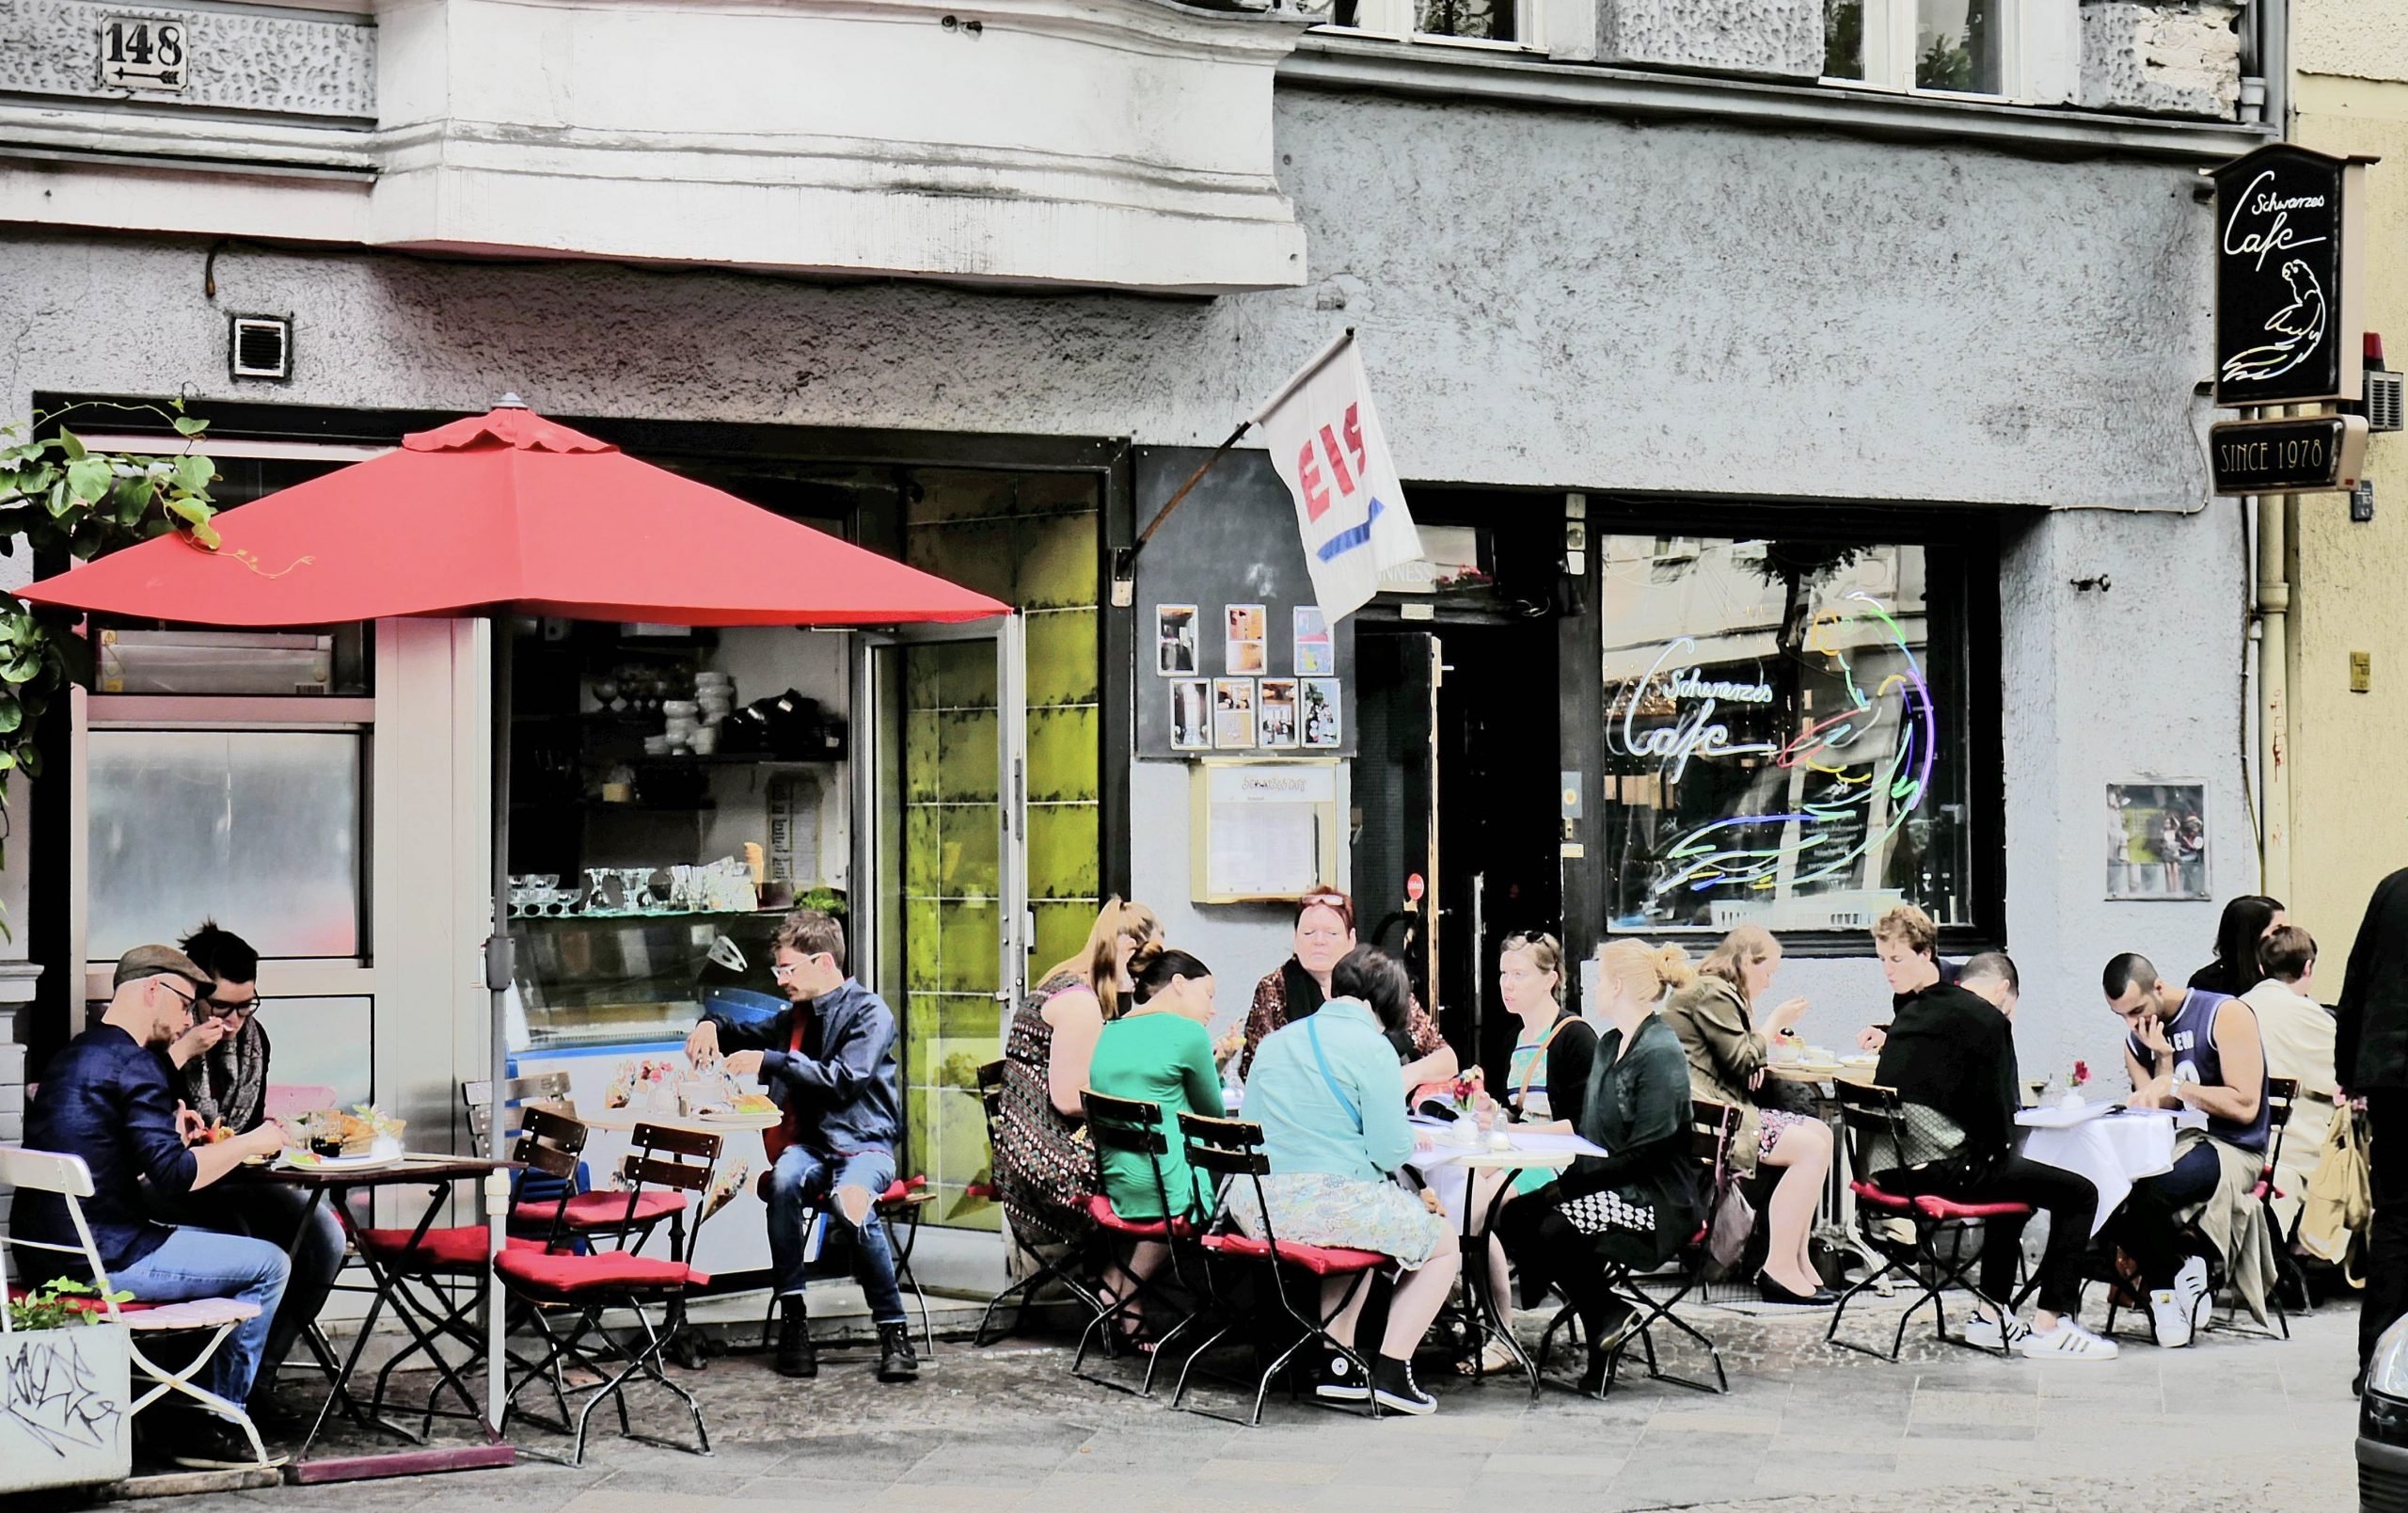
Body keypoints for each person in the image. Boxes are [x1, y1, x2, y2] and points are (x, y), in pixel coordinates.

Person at [18, 947, 293, 1468]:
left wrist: (170, 1136)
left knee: (223, 1235)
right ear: (153, 992)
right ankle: (212, 1422)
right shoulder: (137, 1064)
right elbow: (176, 1177)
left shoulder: (73, 1056)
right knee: (269, 1263)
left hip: (47, 1257)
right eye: (187, 1005)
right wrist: (255, 1141)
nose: (190, 1020)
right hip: (105, 1259)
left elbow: (106, 1148)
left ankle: (175, 1405)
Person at [1865, 915, 2114, 1358]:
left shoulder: (1910, 1012)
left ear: (1927, 956)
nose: (1888, 969)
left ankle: (1992, 1313)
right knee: (2080, 1192)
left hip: (1889, 1172)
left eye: (1895, 958)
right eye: (1883, 958)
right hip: (1937, 1172)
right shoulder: (1983, 1020)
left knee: (2012, 1186)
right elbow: (2000, 1115)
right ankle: (2052, 1324)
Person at [686, 908, 914, 1383]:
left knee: (852, 1204)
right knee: (785, 1180)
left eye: (788, 969)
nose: (782, 979)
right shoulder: (796, 1018)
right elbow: (745, 1034)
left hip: (863, 1145)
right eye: (779, 970)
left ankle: (894, 1330)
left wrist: (772, 1061)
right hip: (809, 1147)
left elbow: (845, 1080)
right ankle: (794, 1319)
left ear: (824, 964)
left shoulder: (870, 1012)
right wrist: (711, 1025)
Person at [1239, 946, 1460, 1415]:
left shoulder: (1276, 1042)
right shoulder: (1373, 1048)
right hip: (1328, 1207)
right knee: (1443, 1243)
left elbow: (1250, 1126)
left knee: (1359, 1225)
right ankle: (1392, 1371)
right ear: (1386, 1003)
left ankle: (1340, 1363)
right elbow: (1388, 1151)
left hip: (1260, 1208)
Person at [141, 923, 346, 1422]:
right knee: (242, 1239)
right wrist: (183, 1052)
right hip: (168, 1183)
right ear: (193, 998)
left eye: (246, 1005)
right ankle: (197, 1390)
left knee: (323, 1239)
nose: (233, 1021)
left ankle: (260, 1374)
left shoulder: (254, 1041)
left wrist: (254, 1145)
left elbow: (246, 1126)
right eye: (221, 1008)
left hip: (237, 1175)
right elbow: (147, 1144)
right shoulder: (160, 1038)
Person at [1497, 940, 1702, 1392]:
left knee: (1554, 1227)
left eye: (1599, 978)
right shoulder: (1611, 1043)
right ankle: (1605, 1316)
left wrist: (1573, 1185)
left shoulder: (1659, 1050)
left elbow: (1651, 1152)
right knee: (1514, 1214)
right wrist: (1567, 1180)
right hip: (1611, 1182)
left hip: (1656, 1198)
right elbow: (1592, 1133)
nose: (1591, 987)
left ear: (1618, 985)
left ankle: (1604, 1320)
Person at [1659, 923, 1835, 1306]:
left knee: (1822, 1133)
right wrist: (1773, 1023)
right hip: (1711, 1120)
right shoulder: (1713, 992)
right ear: (1745, 962)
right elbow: (1742, 1057)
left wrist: (1753, 1052)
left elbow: (1735, 1058)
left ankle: (1797, 1259)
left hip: (1713, 1111)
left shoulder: (1710, 991)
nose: (1769, 983)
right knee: (1810, 1148)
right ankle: (1778, 1267)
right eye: (1767, 972)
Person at [2105, 949, 2272, 1346]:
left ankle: (2164, 1294)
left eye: (2138, 1009)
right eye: (2122, 1016)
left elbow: (2246, 1107)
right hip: (2178, 1144)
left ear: (2158, 987)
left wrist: (2178, 1086)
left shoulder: (2225, 1014)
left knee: (2151, 1193)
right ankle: (2182, 1269)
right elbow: (2157, 1111)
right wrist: (2163, 1060)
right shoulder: (2138, 1040)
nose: (2133, 1022)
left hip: (2235, 1146)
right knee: (2104, 1192)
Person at [1458, 932, 1595, 1376]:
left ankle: (1497, 1333)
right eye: (1503, 974)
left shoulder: (1576, 1038)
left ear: (1550, 979)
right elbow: (1518, 1112)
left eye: (1519, 974)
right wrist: (1493, 1114)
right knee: (1462, 1202)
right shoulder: (1515, 1036)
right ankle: (1478, 1318)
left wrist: (1515, 1133)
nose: (1507, 984)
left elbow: (1582, 1126)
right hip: (1522, 1154)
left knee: (1472, 1216)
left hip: (1556, 1164)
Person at [996, 899, 1160, 1252]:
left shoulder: (1059, 982)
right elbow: (1070, 1099)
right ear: (1126, 949)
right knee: (1164, 1181)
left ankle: (1117, 1291)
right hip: (1053, 1168)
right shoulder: (1080, 1003)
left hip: (1022, 1155)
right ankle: (1122, 1294)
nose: (1146, 980)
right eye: (1145, 967)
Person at [1085, 945, 1226, 1341]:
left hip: (1120, 1182)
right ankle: (1126, 1293)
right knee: (1233, 1179)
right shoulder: (1189, 1034)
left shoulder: (1110, 1031)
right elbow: (1212, 1113)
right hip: (1171, 1191)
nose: (1211, 1009)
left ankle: (1119, 1282)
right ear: (1179, 985)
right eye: (1208, 995)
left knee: (1170, 1176)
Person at [1238, 889, 1457, 1093]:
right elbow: (1254, 1072)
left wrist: (1406, 1076)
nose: (1319, 941)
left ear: (1351, 939)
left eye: (1331, 933)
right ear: (1295, 940)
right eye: (1308, 933)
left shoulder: (1379, 980)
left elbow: (1446, 1058)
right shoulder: (1275, 987)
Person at [2339, 867, 2408, 1388]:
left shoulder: (2392, 888)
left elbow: (2356, 978)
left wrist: (2349, 1072)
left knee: (2396, 1220)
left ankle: (2378, 1366)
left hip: (2391, 1077)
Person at [2242, 924, 2338, 1235]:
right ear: (2308, 967)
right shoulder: (2314, 1019)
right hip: (2293, 1147)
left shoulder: (2235, 1009)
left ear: (2261, 967)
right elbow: (2340, 1080)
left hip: (2239, 1144)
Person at [2191, 894, 2288, 998]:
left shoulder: (2286, 973)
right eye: (2278, 930)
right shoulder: (2207, 983)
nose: (2286, 936)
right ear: (2251, 935)